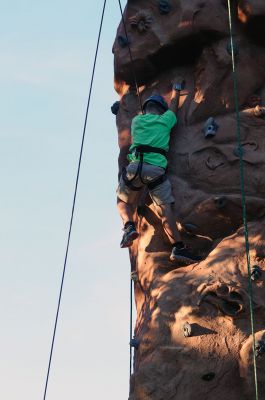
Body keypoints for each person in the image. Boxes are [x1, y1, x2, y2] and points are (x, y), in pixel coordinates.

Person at [116, 81, 200, 265]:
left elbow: (141, 113)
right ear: (161, 111)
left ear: (146, 110)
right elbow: (173, 107)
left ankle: (129, 226)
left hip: (135, 166)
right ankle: (178, 247)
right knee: (165, 210)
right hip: (155, 171)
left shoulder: (137, 121)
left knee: (122, 201)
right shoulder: (166, 121)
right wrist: (177, 90)